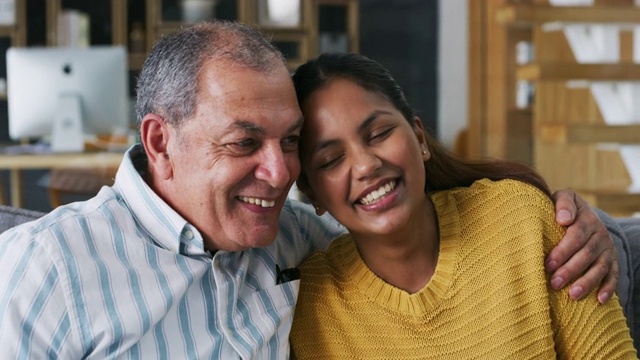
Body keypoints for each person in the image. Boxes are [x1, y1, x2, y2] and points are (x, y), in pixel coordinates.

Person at [0, 21, 622, 359]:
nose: (279, 175)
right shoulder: (43, 269)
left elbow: (403, 237)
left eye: (291, 142)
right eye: (245, 143)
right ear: (161, 143)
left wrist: (594, 231)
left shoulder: (297, 243)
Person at [288, 52, 637, 359]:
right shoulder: (311, 308)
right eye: (331, 159)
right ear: (313, 194)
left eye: (379, 134)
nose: (366, 165)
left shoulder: (520, 217)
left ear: (420, 138)